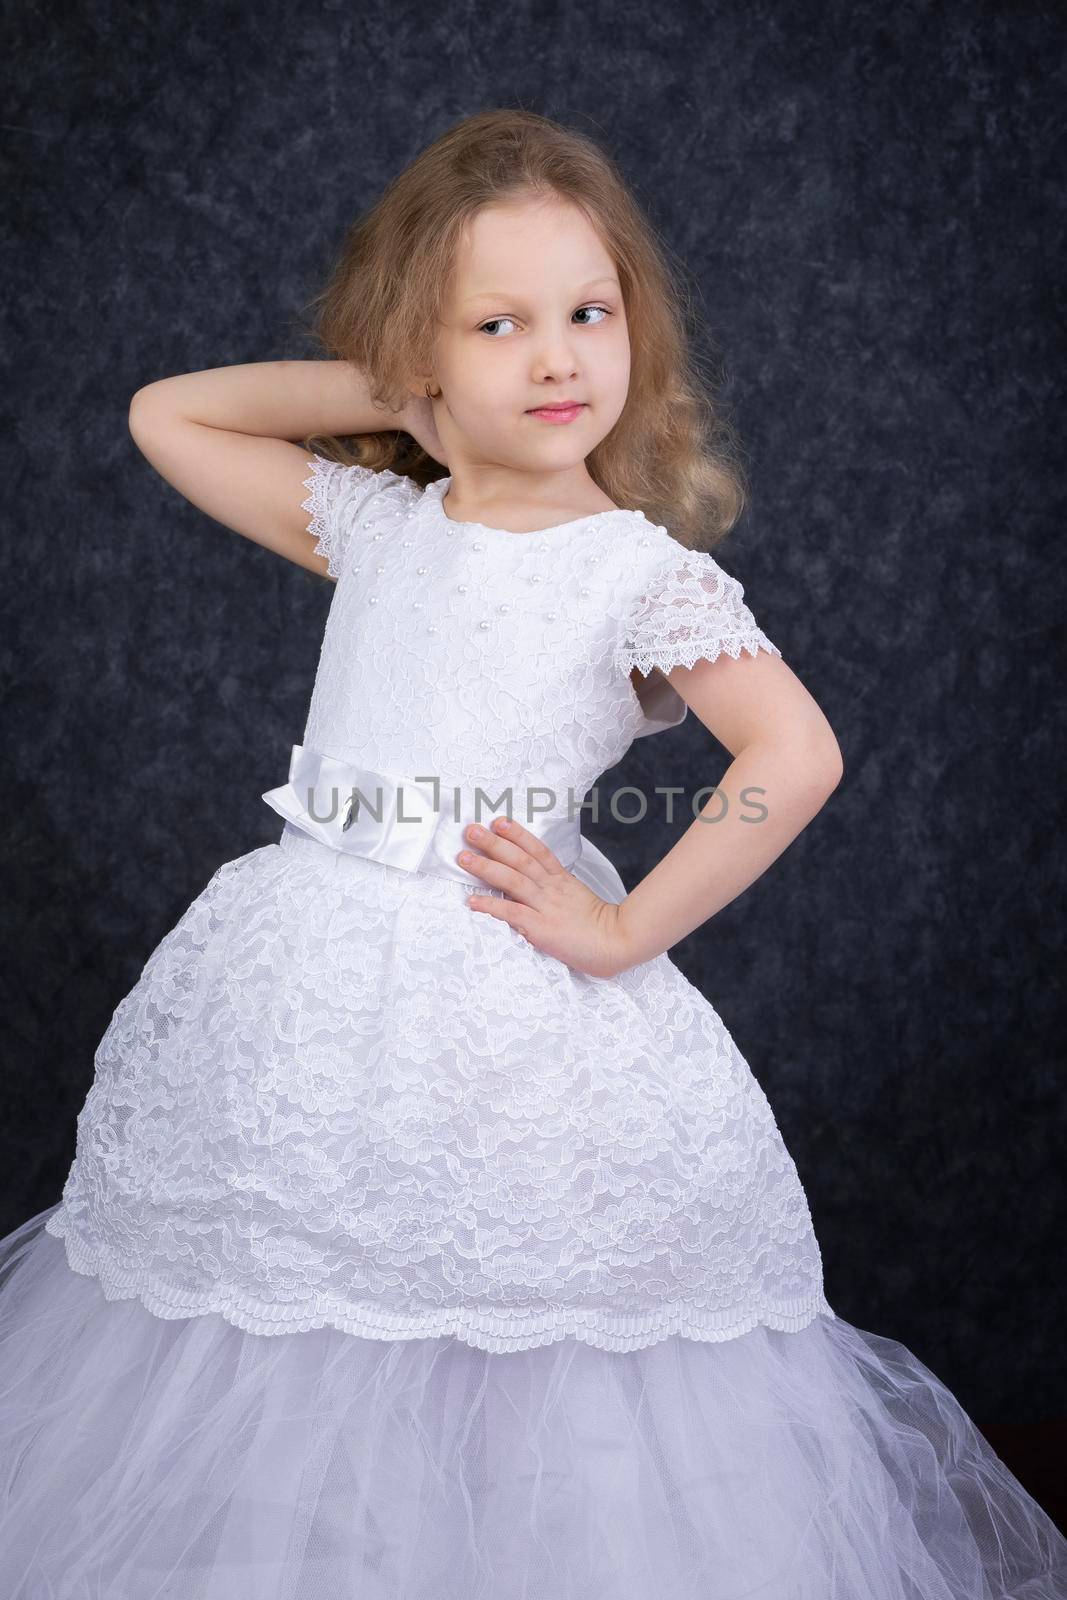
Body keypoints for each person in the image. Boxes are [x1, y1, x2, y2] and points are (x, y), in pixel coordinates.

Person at [1, 107, 1064, 1600]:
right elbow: (170, 411)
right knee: (297, 1311)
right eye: (499, 325)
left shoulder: (633, 570)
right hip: (311, 992)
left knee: (516, 1331)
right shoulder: (379, 524)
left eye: (589, 312)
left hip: (503, 1012)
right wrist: (407, 390)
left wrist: (628, 933)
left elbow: (795, 753)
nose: (558, 357)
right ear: (423, 355)